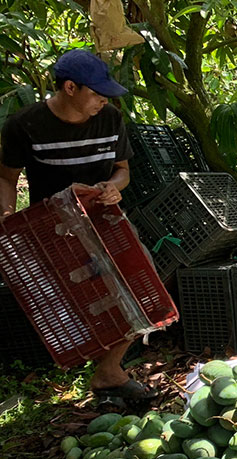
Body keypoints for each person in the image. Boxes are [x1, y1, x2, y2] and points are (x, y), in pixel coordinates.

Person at [0, 49, 154, 404]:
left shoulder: (110, 120)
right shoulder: (24, 126)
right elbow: (7, 177)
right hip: (54, 229)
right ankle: (97, 370)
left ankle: (109, 369)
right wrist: (7, 216)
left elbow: (123, 172)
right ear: (70, 88)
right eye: (97, 94)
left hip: (105, 220)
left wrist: (112, 187)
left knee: (141, 288)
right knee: (80, 298)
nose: (103, 101)